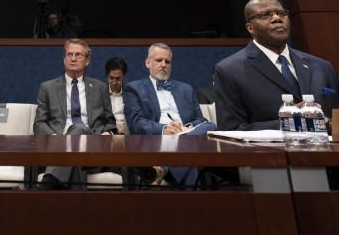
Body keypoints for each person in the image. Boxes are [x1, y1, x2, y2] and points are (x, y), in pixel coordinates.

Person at [213, 0, 339, 131]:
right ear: (250, 28)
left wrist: (329, 123)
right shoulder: (229, 70)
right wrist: (292, 123)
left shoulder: (322, 66)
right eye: (265, 15)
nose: (276, 18)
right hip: (273, 153)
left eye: (281, 13)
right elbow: (231, 129)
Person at [123, 43, 216, 188]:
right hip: (158, 141)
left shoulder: (186, 89)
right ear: (148, 63)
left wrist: (184, 130)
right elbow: (136, 122)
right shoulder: (134, 88)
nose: (163, 64)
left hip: (185, 134)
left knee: (211, 126)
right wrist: (164, 129)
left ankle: (163, 168)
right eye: (158, 60)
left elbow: (200, 120)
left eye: (167, 61)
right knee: (190, 159)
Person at [34, 39, 116, 189]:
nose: (72, 58)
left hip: (92, 146)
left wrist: (107, 133)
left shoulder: (100, 87)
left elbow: (110, 121)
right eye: (69, 54)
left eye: (78, 55)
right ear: (64, 59)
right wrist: (54, 138)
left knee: (78, 128)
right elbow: (39, 123)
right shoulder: (47, 87)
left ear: (87, 61)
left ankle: (46, 186)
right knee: (74, 160)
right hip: (58, 146)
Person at [105, 57, 128, 134]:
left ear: (123, 76)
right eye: (111, 78)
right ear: (107, 76)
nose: (114, 82)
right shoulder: (100, 92)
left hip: (127, 130)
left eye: (118, 79)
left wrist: (124, 126)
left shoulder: (130, 93)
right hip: (107, 130)